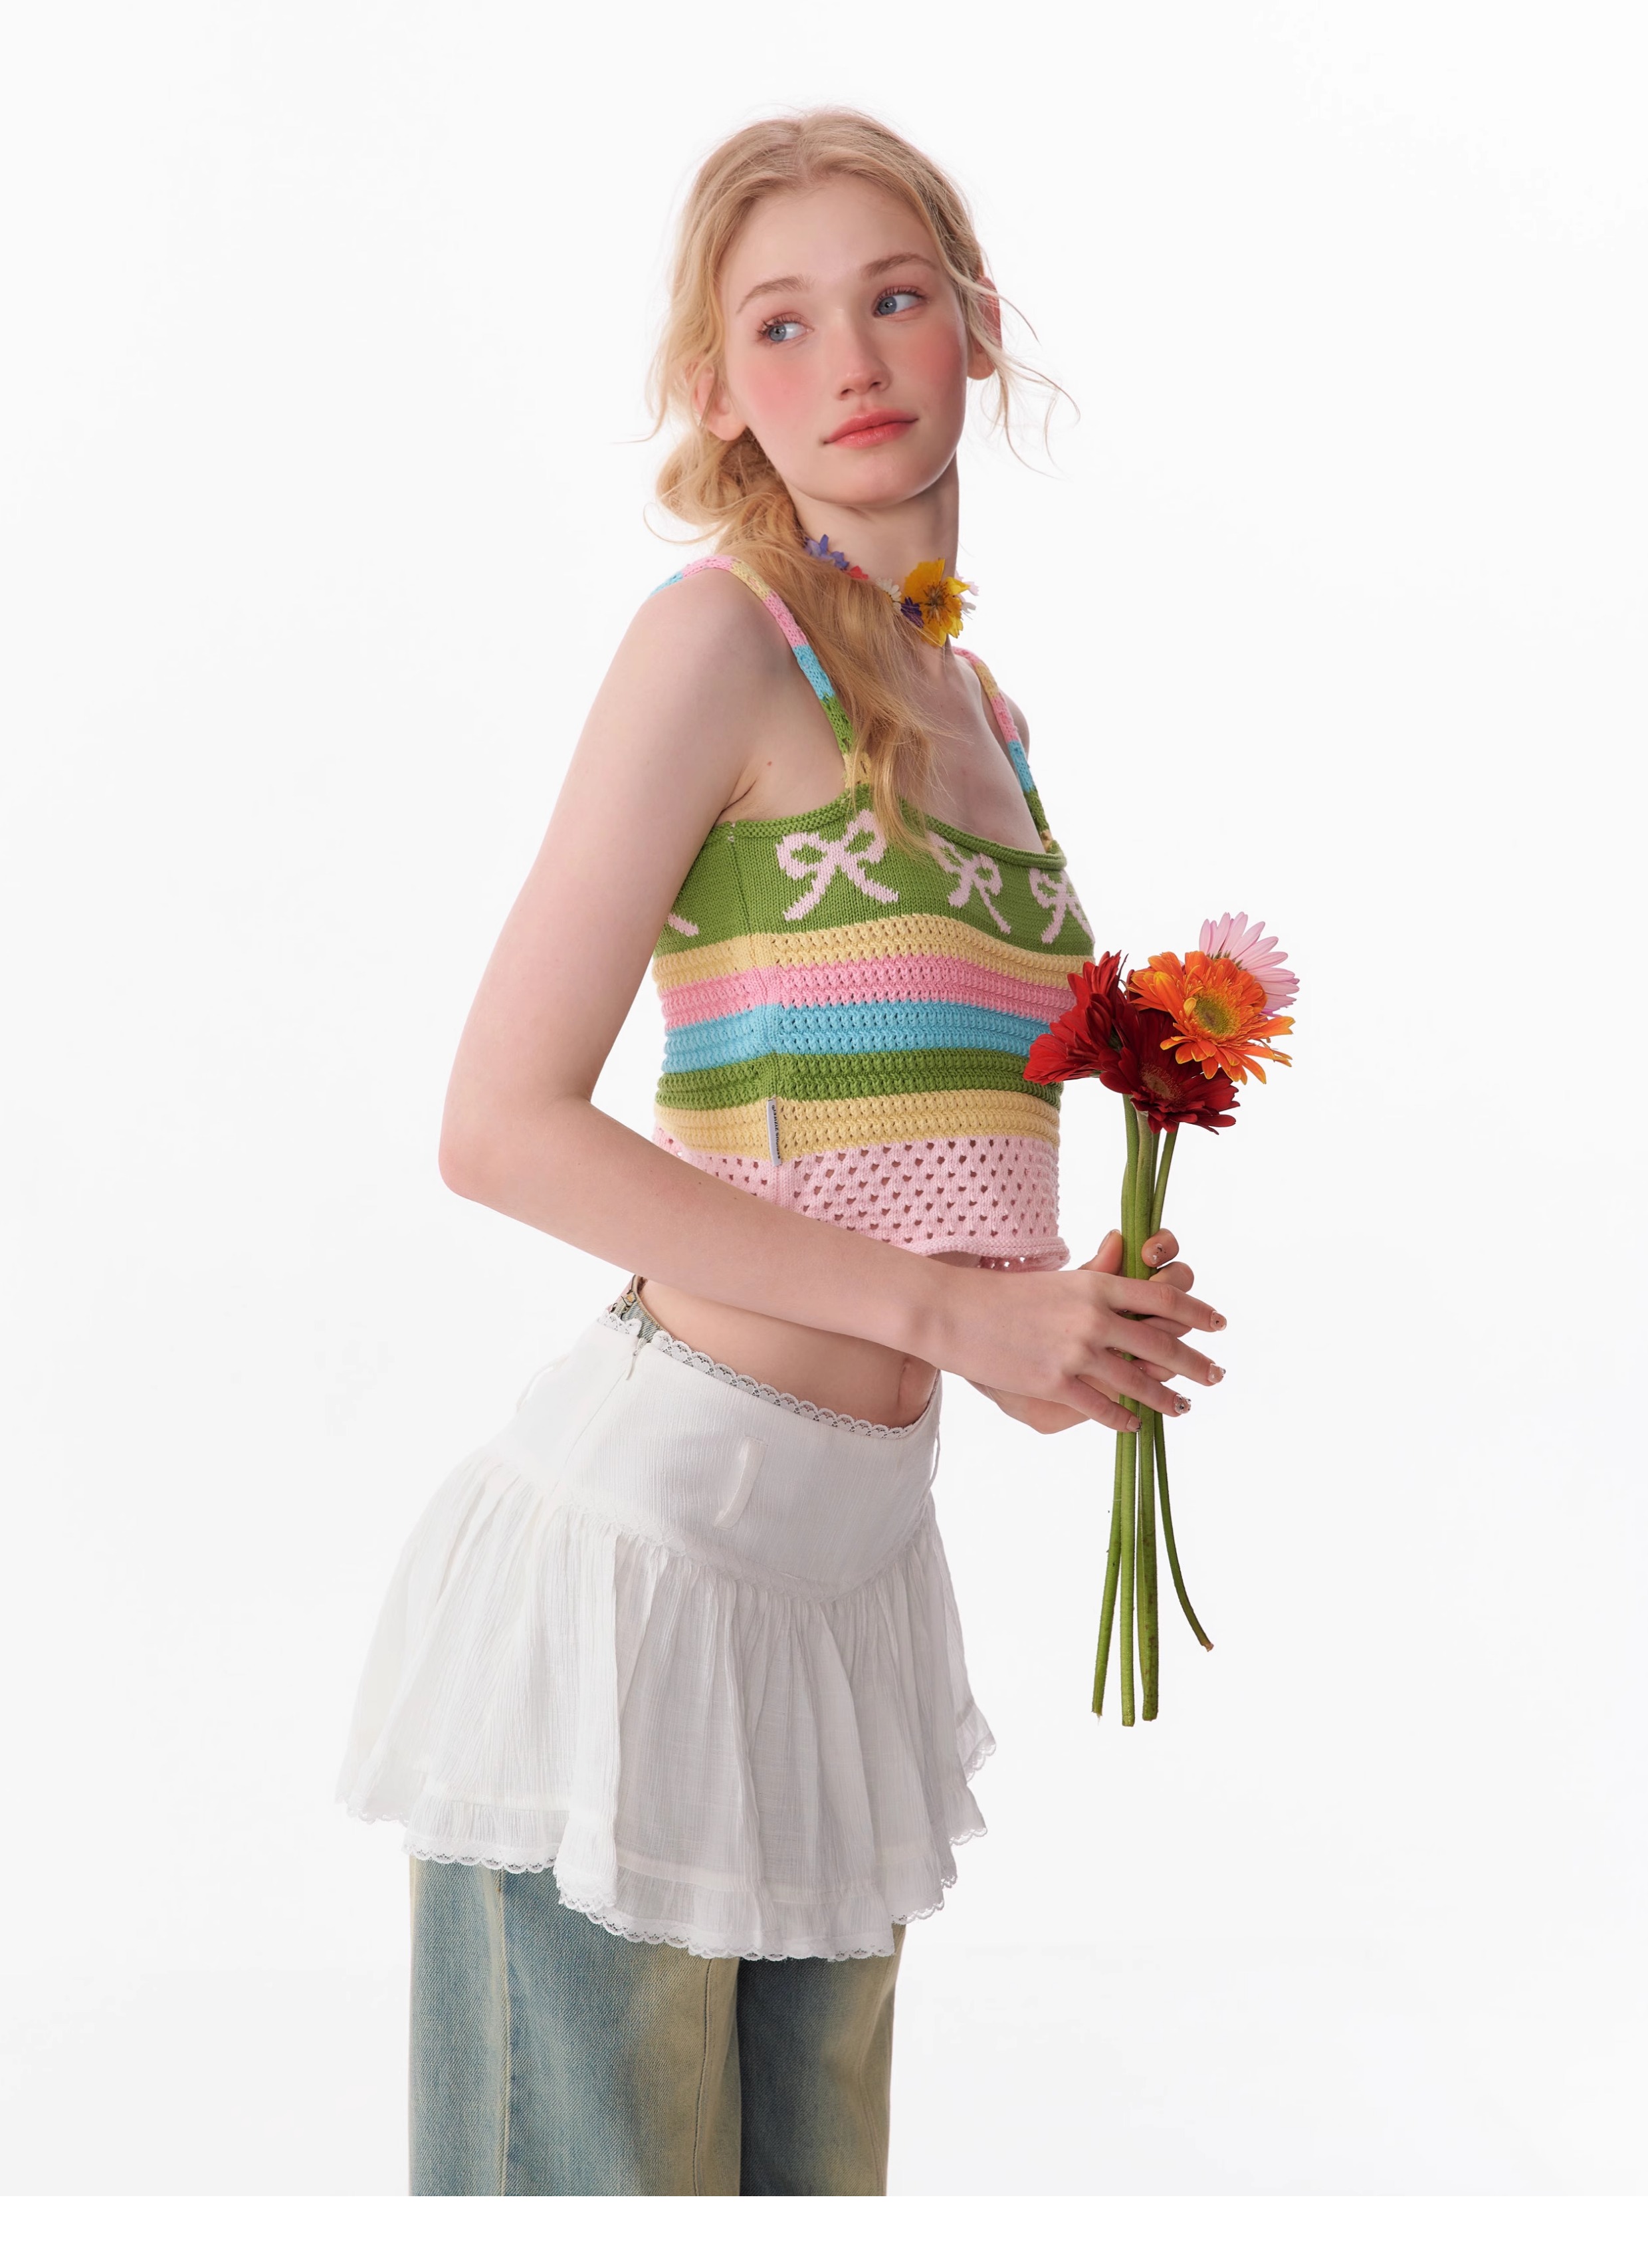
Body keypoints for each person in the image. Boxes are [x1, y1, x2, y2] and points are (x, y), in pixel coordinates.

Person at [337, 106, 1227, 2197]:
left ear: (976, 325)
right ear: (719, 387)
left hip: (843, 1594)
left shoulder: (988, 716)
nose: (853, 359)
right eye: (782, 323)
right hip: (642, 1590)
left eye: (895, 297)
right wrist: (950, 1312)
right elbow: (497, 1122)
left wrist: (1052, 1327)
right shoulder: (723, 640)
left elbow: (893, 1148)